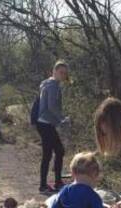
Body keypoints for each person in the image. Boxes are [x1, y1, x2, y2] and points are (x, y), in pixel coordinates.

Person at [37, 61, 70, 194]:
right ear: (54, 71)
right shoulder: (52, 85)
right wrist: (62, 119)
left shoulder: (50, 83)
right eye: (61, 72)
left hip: (46, 123)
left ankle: (56, 182)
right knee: (50, 153)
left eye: (65, 73)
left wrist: (58, 120)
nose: (63, 75)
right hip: (45, 123)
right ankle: (44, 186)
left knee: (58, 151)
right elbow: (51, 106)